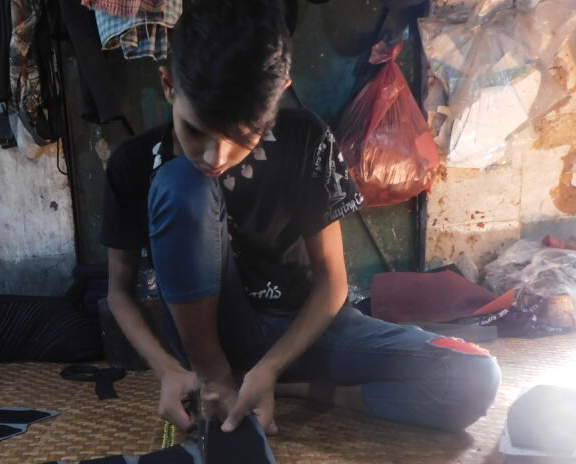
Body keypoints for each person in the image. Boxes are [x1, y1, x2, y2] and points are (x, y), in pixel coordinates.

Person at [102, 0, 500, 436]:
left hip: (301, 331)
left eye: (241, 137)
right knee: (182, 184)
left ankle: (291, 387)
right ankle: (218, 380)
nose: (215, 157)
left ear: (278, 97)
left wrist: (271, 368)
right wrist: (168, 369)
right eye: (196, 130)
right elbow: (119, 292)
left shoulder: (306, 138)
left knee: (473, 377)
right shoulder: (133, 164)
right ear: (168, 85)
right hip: (208, 340)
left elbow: (333, 283)